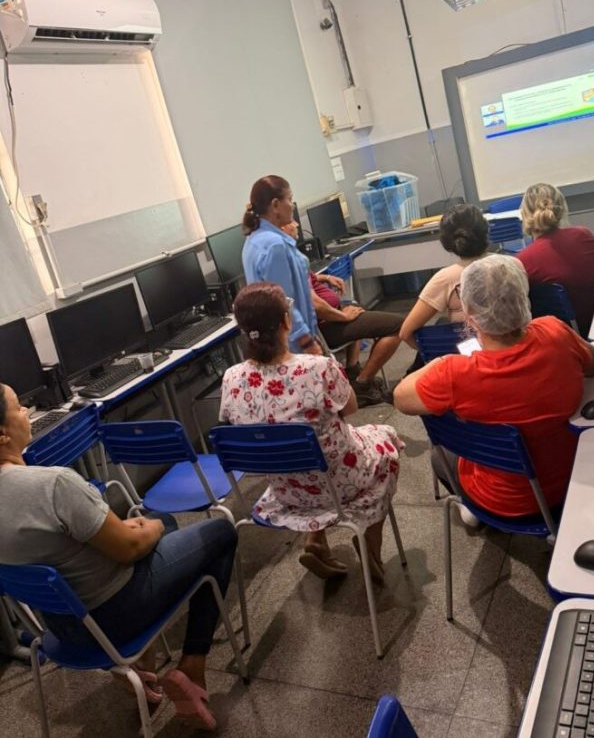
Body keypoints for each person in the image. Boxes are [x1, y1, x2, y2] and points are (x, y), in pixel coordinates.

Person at [0, 383, 237, 732]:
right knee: (219, 533)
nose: (27, 414)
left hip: (62, 630)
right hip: (117, 614)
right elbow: (129, 549)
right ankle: (192, 666)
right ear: (3, 435)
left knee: (166, 523)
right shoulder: (53, 485)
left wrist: (141, 528)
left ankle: (142, 667)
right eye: (19, 408)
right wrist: (149, 528)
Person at [394, 255, 594, 524]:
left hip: (498, 499)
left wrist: (441, 361)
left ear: (470, 316)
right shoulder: (555, 330)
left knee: (438, 455)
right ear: (522, 298)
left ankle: (472, 511)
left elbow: (401, 397)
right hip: (574, 480)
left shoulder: (453, 373)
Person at [219, 282, 404, 584]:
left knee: (309, 453)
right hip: (341, 483)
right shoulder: (318, 368)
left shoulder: (231, 378)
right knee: (387, 439)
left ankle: (315, 540)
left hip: (286, 490)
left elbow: (231, 421)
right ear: (286, 321)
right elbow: (351, 409)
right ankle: (370, 543)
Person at [282, 220, 404, 406]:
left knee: (354, 306)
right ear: (280, 226)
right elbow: (315, 305)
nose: (296, 224)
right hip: (324, 326)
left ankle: (353, 371)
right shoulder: (288, 258)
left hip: (332, 317)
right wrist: (344, 316)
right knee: (399, 326)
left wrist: (325, 277)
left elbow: (308, 279)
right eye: (291, 221)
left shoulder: (291, 255)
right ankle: (362, 384)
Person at [242, 175, 323, 356]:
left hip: (278, 340)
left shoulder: (254, 239)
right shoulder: (274, 245)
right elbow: (284, 300)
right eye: (290, 199)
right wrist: (306, 340)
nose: (292, 205)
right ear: (276, 205)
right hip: (292, 343)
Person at [516, 182, 594, 338]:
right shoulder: (584, 235)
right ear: (561, 208)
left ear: (525, 215)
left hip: (564, 338)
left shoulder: (523, 262)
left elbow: (523, 315)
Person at [399, 203, 490, 349]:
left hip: (473, 353)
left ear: (446, 241)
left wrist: (432, 354)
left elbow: (405, 333)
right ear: (486, 230)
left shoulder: (445, 278)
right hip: (514, 349)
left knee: (443, 324)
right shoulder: (513, 265)